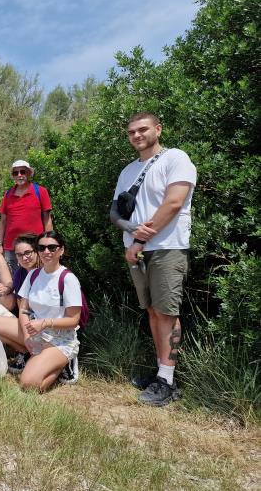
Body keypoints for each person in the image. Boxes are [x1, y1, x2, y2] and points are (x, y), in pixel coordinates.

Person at [110, 112, 196, 406]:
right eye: (131, 132)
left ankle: (168, 382)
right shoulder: (127, 172)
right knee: (152, 311)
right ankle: (162, 372)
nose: (137, 135)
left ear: (157, 129)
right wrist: (130, 230)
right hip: (136, 250)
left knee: (167, 312)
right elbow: (115, 213)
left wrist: (138, 239)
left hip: (166, 246)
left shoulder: (176, 159)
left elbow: (174, 202)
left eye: (142, 129)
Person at [0, 231, 81, 392]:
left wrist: (45, 323)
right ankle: (29, 354)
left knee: (28, 384)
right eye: (42, 247)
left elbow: (74, 320)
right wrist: (26, 337)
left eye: (52, 247)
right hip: (35, 332)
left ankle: (64, 362)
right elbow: (24, 309)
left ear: (61, 250)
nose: (46, 252)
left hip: (59, 339)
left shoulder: (67, 278)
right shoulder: (33, 274)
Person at [0, 160, 53, 272]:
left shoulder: (40, 191)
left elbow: (47, 219)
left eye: (22, 171)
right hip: (11, 248)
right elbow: (3, 221)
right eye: (15, 173)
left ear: (28, 173)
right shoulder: (8, 194)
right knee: (15, 280)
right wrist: (0, 245)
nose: (19, 175)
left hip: (34, 245)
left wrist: (48, 242)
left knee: (38, 277)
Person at [6, 235, 41, 374]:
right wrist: (27, 335)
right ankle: (26, 351)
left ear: (36, 251)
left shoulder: (46, 272)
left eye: (27, 253)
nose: (24, 258)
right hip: (30, 321)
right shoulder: (20, 274)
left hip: (49, 324)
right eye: (19, 255)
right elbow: (23, 309)